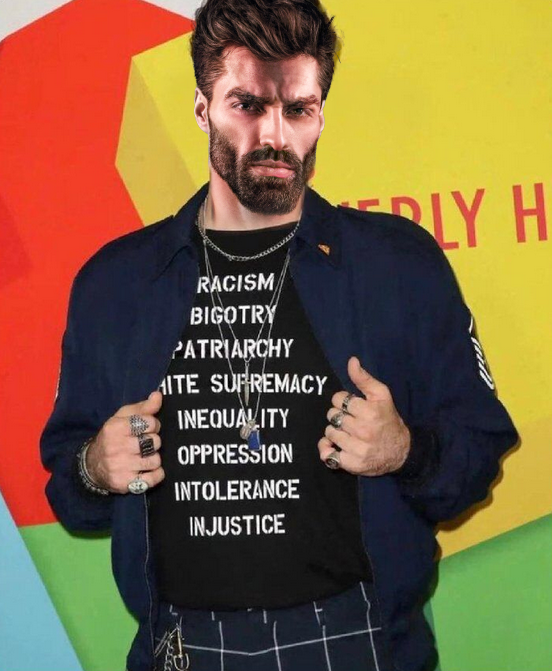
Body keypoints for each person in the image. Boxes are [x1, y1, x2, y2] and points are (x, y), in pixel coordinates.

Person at [39, 1, 519, 670]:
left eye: (297, 109)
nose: (274, 135)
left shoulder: (398, 265)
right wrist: (96, 466)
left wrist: (405, 450)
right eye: (247, 105)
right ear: (203, 108)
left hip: (356, 641)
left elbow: (477, 454)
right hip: (181, 645)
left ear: (321, 114)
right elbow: (70, 492)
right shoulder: (115, 283)